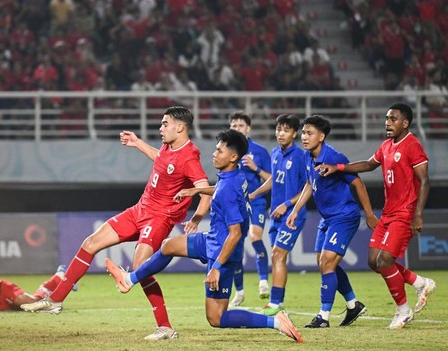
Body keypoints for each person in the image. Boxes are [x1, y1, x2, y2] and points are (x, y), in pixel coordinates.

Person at [22, 106, 212, 341]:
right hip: (139, 209)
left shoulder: (190, 156)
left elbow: (205, 190)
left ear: (179, 127)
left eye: (165, 124)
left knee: (140, 266)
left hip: (159, 217)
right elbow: (161, 159)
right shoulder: (168, 146)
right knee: (91, 242)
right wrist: (137, 142)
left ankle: (165, 327)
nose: (161, 128)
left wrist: (196, 218)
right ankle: (56, 300)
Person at [105, 129, 303, 343]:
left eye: (220, 150)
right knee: (169, 245)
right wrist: (196, 191)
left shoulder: (228, 188)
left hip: (222, 253)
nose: (214, 154)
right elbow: (221, 188)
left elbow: (235, 234)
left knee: (216, 318)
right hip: (212, 240)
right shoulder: (235, 176)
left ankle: (276, 322)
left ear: (233, 157)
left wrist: (216, 268)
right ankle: (130, 279)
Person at [317, 102, 436, 329]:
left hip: (405, 212)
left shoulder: (413, 145)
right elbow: (368, 165)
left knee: (385, 260)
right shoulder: (386, 146)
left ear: (405, 123)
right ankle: (420, 282)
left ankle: (403, 310)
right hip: (389, 211)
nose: (388, 123)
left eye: (393, 119)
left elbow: (425, 181)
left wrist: (418, 214)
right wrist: (339, 167)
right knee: (374, 261)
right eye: (386, 118)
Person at [285, 115, 378, 328]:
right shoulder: (308, 157)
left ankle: (323, 317)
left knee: (327, 262)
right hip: (327, 218)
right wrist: (295, 209)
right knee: (324, 263)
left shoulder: (335, 157)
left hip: (344, 216)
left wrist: (370, 214)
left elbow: (359, 184)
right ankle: (353, 304)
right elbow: (310, 184)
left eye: (309, 133)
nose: (304, 137)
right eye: (304, 133)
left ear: (322, 136)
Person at [248, 114, 307, 315]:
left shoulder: (300, 156)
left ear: (294, 133)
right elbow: (274, 179)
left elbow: (309, 187)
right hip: (275, 215)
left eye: (286, 130)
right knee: (278, 258)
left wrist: (287, 204)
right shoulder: (275, 153)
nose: (281, 134)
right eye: (278, 129)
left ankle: (274, 303)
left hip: (292, 215)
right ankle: (279, 303)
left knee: (277, 255)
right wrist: (255, 192)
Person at [228, 111, 272, 305]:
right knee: (235, 245)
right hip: (235, 203)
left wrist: (255, 168)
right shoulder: (227, 150)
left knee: (255, 236)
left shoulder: (260, 151)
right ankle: (239, 291)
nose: (238, 129)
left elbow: (272, 179)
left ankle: (263, 281)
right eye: (234, 126)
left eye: (241, 126)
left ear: (248, 128)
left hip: (256, 202)